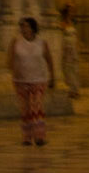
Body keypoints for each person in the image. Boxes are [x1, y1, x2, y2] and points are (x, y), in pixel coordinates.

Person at [7, 16, 55, 147]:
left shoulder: (41, 42)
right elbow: (10, 59)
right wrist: (13, 69)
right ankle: (27, 137)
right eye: (21, 26)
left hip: (39, 79)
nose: (23, 29)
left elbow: (49, 59)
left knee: (36, 107)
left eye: (26, 26)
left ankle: (39, 136)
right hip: (21, 80)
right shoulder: (16, 42)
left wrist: (52, 76)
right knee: (25, 109)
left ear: (33, 28)